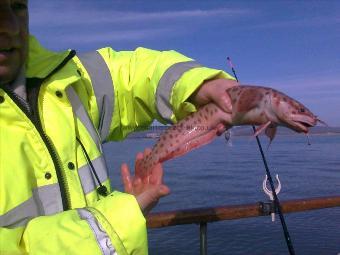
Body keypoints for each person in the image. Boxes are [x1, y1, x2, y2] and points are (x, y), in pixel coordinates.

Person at [0, 0, 238, 254]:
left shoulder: (68, 76)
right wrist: (114, 224)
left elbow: (131, 75)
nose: (12, 26)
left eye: (18, 6)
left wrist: (196, 85)